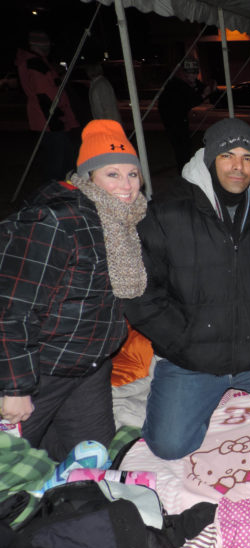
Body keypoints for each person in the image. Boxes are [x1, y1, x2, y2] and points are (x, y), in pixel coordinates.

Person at [125, 118, 250, 460]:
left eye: (247, 157)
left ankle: (247, 376)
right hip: (192, 357)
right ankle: (172, 389)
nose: (238, 167)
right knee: (169, 446)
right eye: (228, 155)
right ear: (210, 159)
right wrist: (180, 341)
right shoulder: (168, 213)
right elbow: (141, 292)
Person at [0, 119, 147, 461]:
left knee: (91, 460)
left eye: (132, 174)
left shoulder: (124, 222)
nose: (126, 185)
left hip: (90, 368)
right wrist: (15, 388)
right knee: (11, 465)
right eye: (112, 174)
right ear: (87, 177)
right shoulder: (55, 222)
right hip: (41, 370)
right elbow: (12, 308)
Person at [14, 30, 80, 181]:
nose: (49, 47)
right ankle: (56, 195)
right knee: (60, 163)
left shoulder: (39, 62)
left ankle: (63, 192)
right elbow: (45, 95)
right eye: (47, 44)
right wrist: (56, 121)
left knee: (63, 160)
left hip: (50, 119)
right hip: (50, 121)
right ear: (40, 45)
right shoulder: (36, 65)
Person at [158, 58, 214, 173]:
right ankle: (184, 173)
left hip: (181, 119)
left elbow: (200, 86)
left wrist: (209, 87)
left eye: (195, 72)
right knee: (182, 149)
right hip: (173, 120)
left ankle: (185, 170)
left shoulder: (188, 82)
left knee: (186, 146)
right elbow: (191, 100)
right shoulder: (176, 85)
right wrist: (203, 95)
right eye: (190, 73)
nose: (193, 76)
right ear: (184, 73)